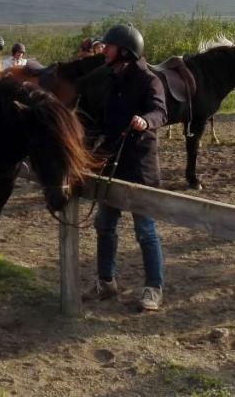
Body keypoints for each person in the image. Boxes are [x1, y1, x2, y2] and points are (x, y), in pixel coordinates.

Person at [86, 24, 168, 312]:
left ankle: (153, 288)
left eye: (109, 46)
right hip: (112, 164)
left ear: (125, 50)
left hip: (140, 167)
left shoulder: (149, 81)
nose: (104, 49)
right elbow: (100, 117)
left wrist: (146, 121)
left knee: (145, 230)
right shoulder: (110, 78)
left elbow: (160, 111)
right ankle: (106, 281)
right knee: (104, 224)